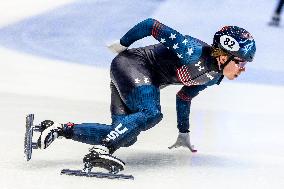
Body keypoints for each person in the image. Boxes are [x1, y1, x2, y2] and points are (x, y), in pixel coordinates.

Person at [36, 18, 256, 172]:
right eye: (241, 62)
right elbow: (151, 25)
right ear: (224, 56)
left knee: (125, 136)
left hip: (137, 79)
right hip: (131, 65)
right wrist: (123, 43)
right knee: (151, 113)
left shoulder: (214, 76)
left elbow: (184, 97)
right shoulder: (192, 50)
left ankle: (59, 129)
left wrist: (183, 132)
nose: (243, 69)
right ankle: (100, 150)